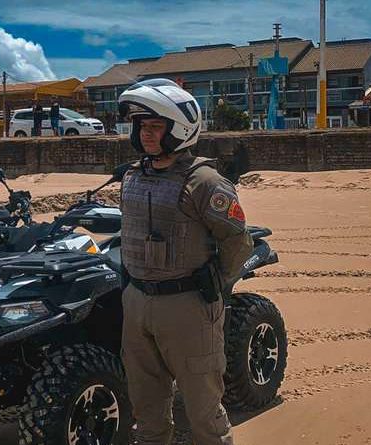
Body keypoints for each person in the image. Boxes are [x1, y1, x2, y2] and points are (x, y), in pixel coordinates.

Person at [116, 78, 253, 445]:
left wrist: (212, 287)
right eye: (142, 126)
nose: (146, 134)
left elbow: (238, 243)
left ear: (179, 129)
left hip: (188, 307)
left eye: (156, 126)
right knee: (146, 414)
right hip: (137, 303)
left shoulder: (206, 182)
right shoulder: (131, 177)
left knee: (204, 415)